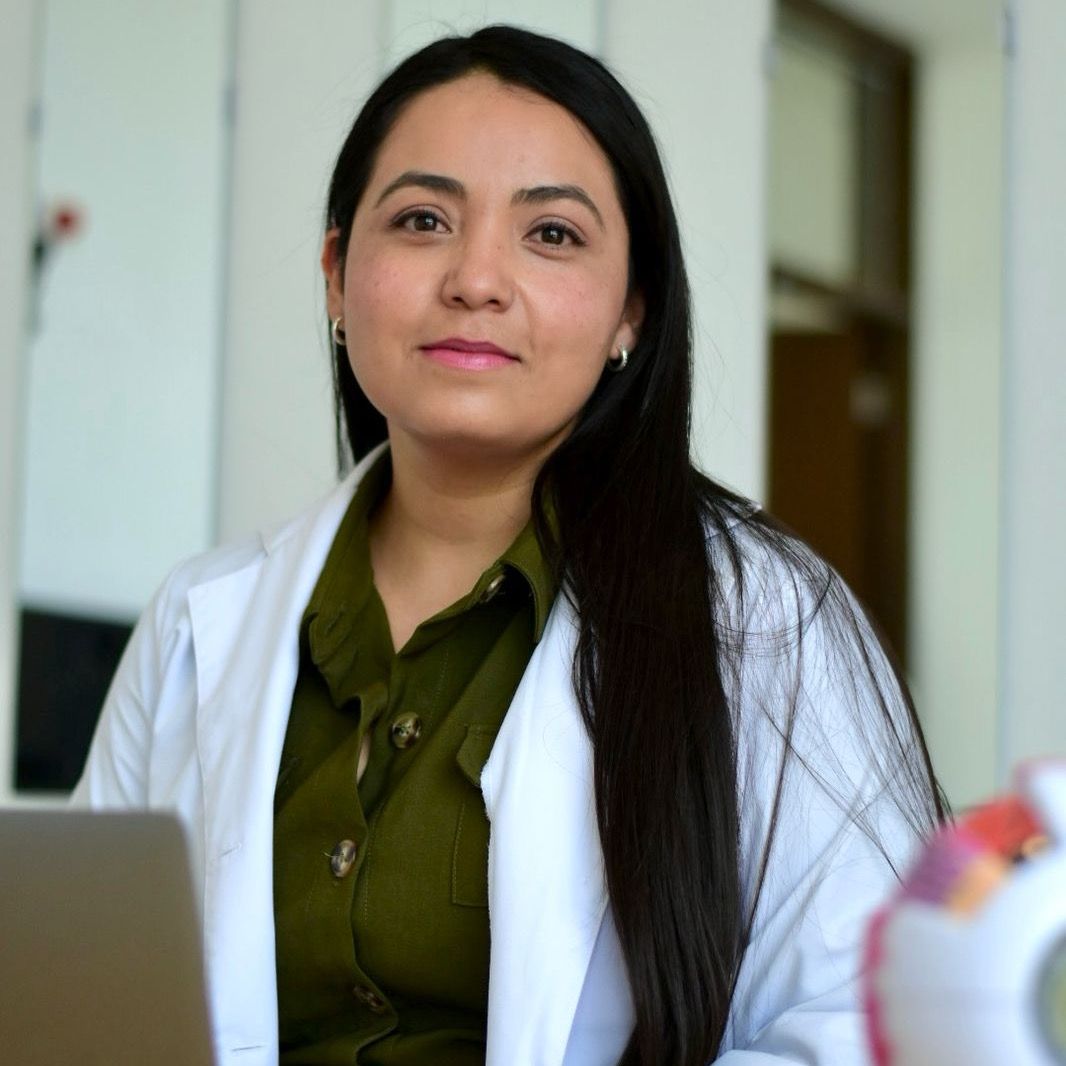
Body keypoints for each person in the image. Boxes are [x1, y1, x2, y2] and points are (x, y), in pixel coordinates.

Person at [72, 24, 945, 1066]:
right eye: (423, 220)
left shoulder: (766, 623)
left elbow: (875, 1025)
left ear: (631, 312)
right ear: (337, 276)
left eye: (552, 234)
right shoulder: (195, 620)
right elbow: (81, 997)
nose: (476, 279)